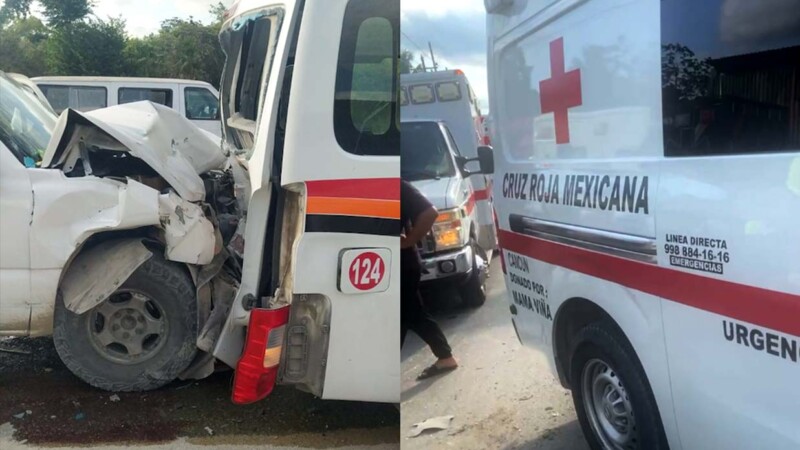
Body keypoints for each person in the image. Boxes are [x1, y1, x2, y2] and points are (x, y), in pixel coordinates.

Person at [401, 179, 458, 380]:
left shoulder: (396, 185)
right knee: (413, 313)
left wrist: (409, 241)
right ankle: (445, 357)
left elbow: (430, 212)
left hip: (402, 264)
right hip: (397, 263)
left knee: (400, 316)